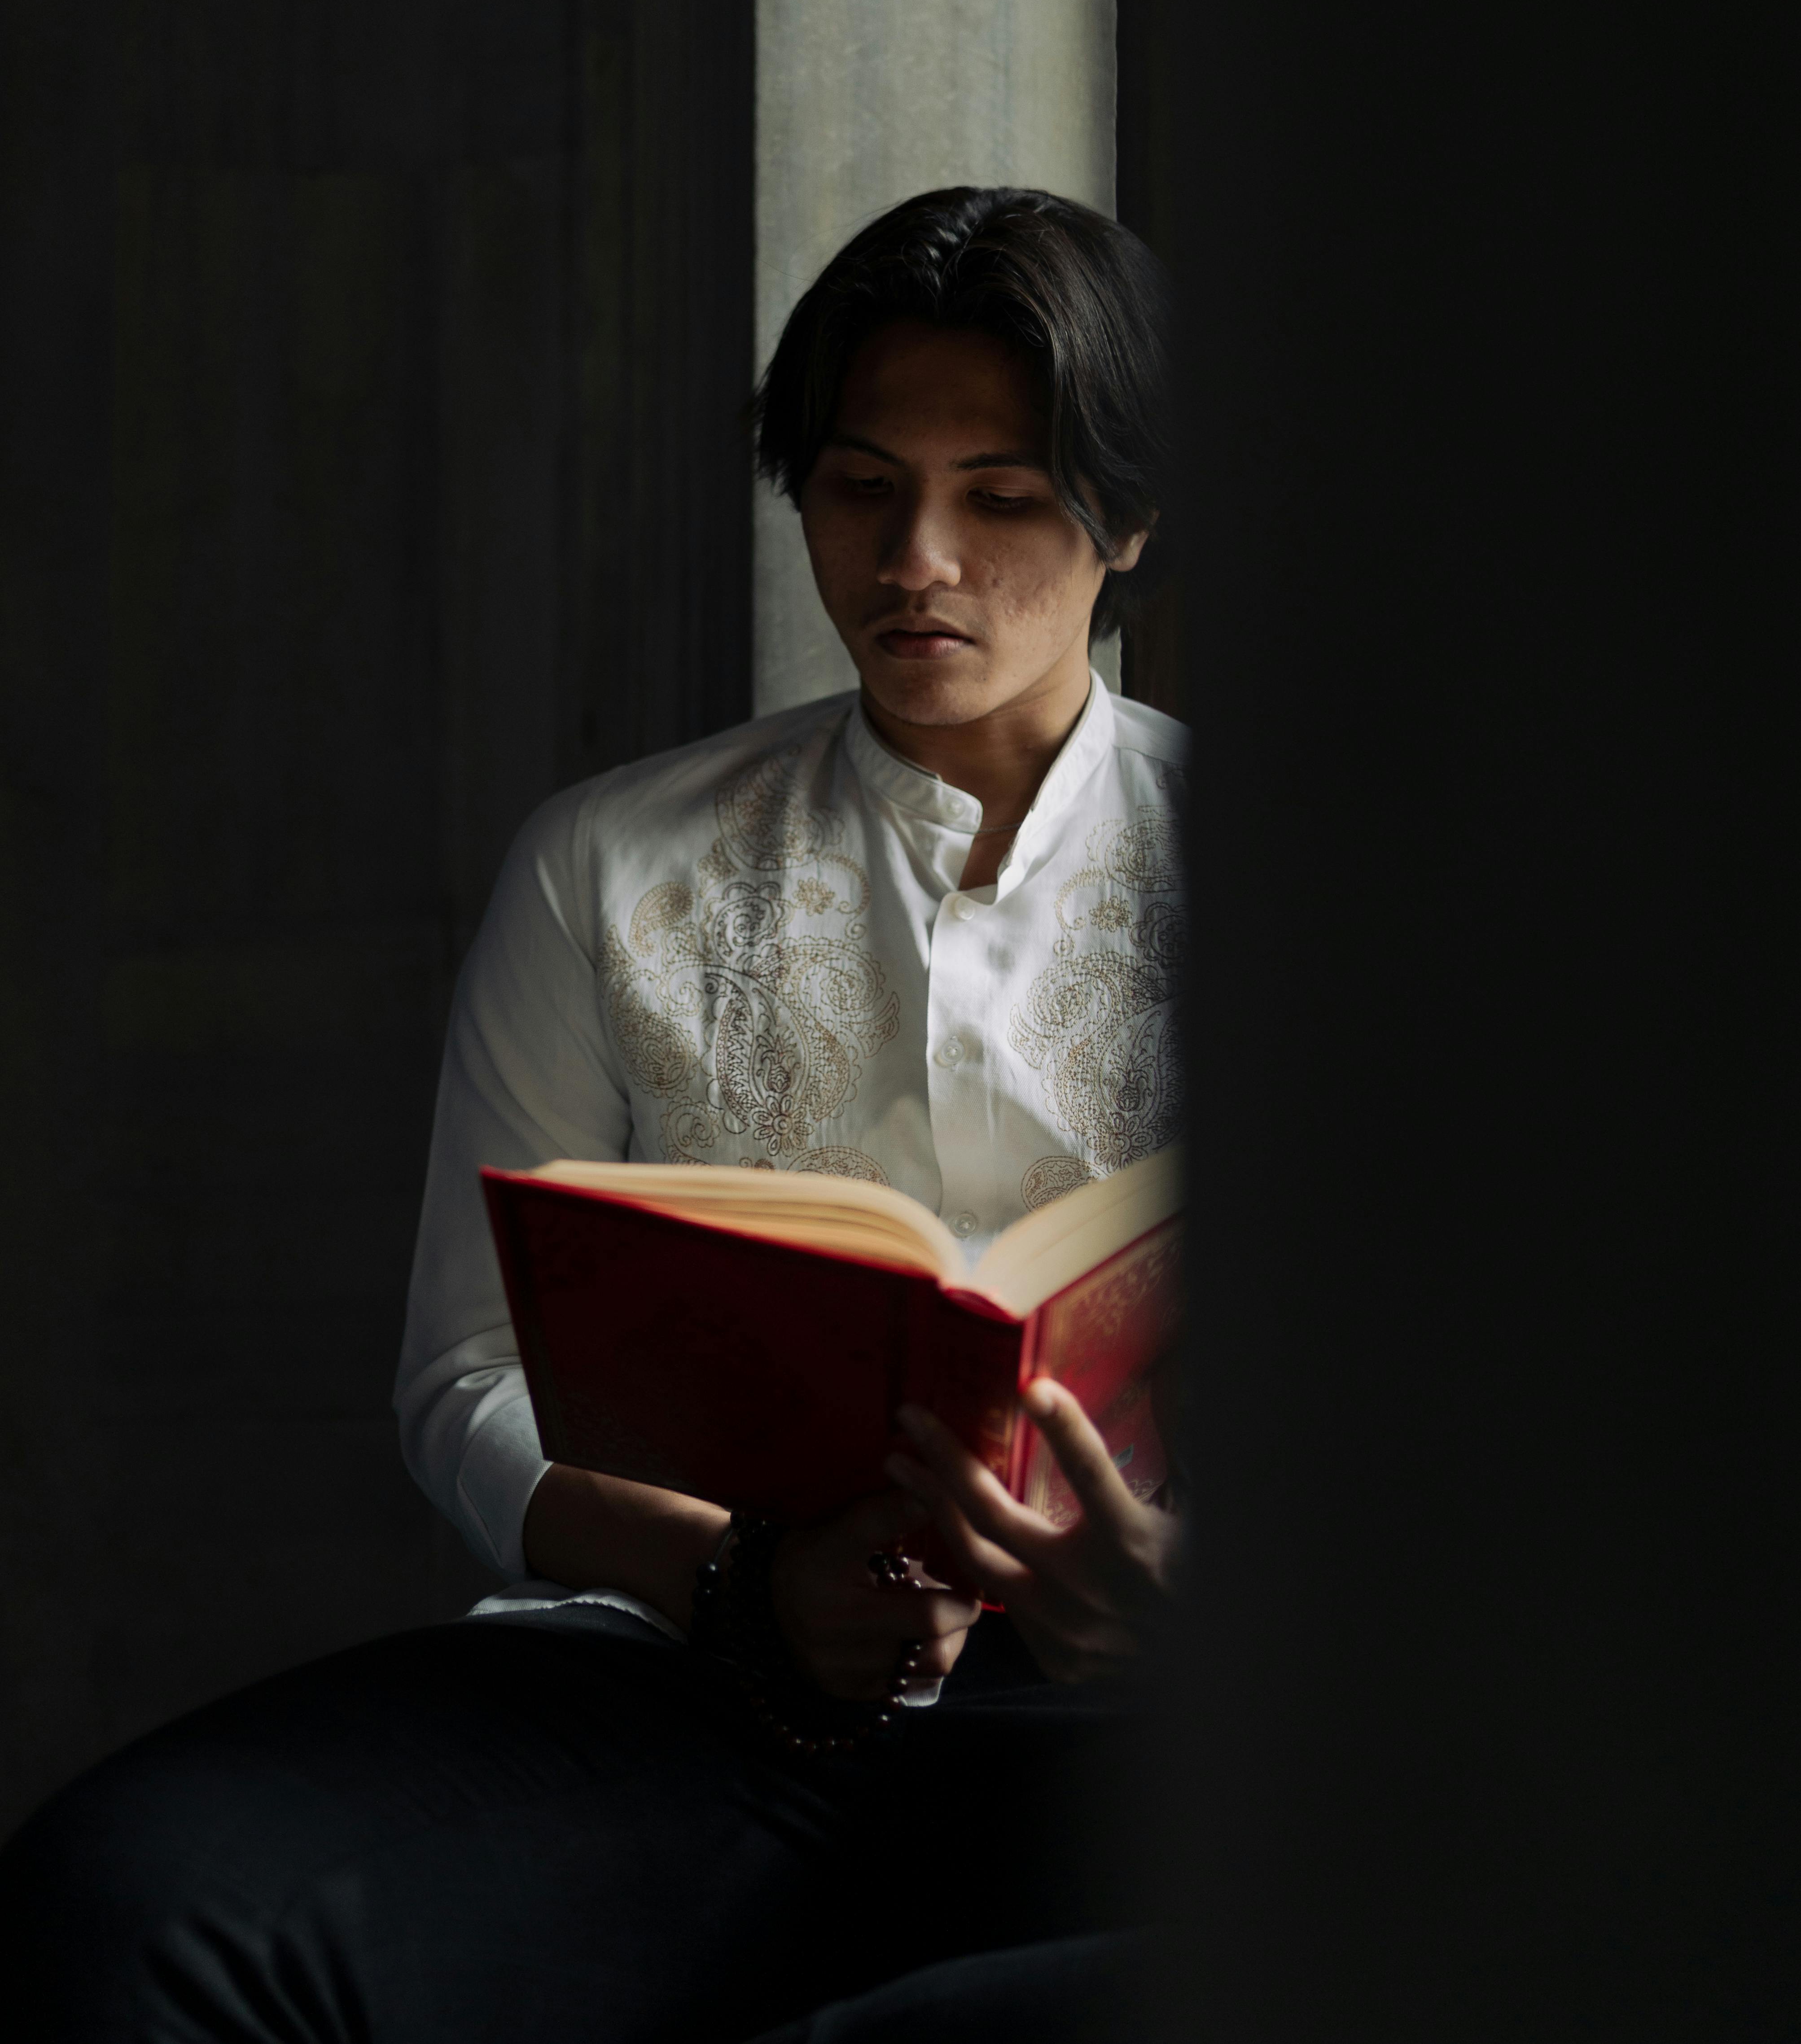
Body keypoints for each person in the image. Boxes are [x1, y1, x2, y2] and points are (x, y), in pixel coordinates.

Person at [0, 186, 1185, 2042]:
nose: (917, 561)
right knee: (125, 1904)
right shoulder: (614, 861)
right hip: (711, 1681)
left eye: (1003, 498)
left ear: (1124, 520)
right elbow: (463, 1379)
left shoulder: (1307, 890)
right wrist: (737, 1581)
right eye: (861, 486)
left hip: (1168, 1720)